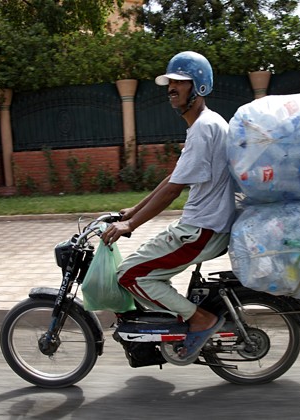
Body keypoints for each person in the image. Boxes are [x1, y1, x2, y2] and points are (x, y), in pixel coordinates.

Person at [100, 51, 235, 361]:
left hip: (201, 229)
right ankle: (179, 323)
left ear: (198, 86)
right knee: (144, 268)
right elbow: (175, 178)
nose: (171, 88)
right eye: (169, 83)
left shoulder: (203, 128)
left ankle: (200, 320)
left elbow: (173, 190)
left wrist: (130, 226)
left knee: (129, 275)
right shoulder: (205, 125)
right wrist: (132, 211)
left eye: (180, 82)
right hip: (203, 225)